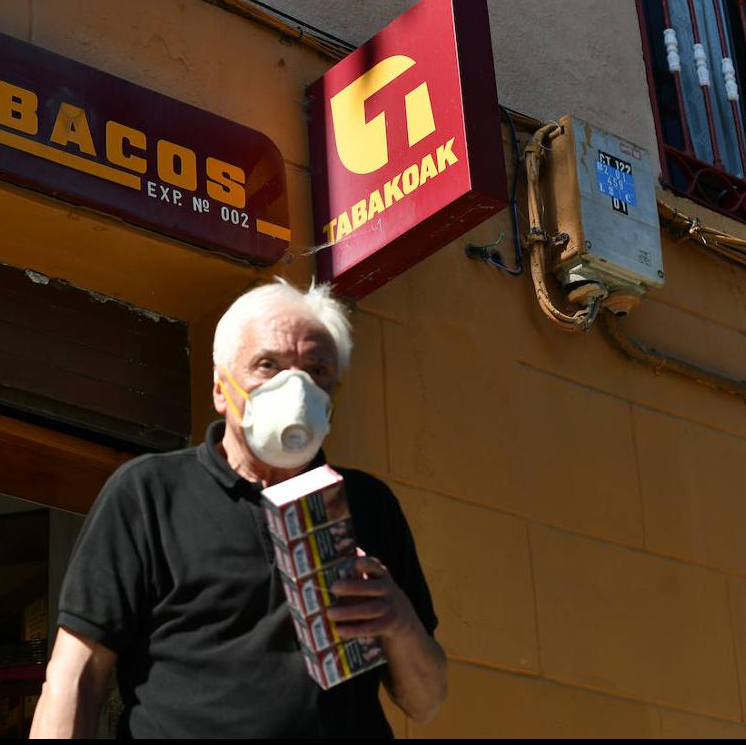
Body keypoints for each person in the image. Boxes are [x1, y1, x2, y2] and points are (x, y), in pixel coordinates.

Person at [29, 278, 447, 738]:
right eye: (268, 365)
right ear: (220, 391)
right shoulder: (150, 493)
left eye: (318, 371)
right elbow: (76, 674)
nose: (297, 387)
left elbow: (424, 700)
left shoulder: (367, 503)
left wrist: (399, 621)